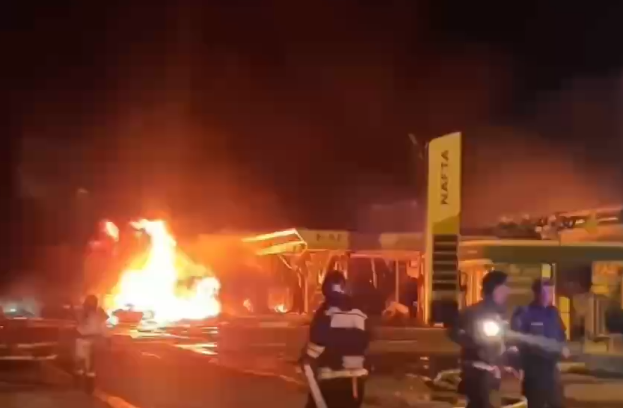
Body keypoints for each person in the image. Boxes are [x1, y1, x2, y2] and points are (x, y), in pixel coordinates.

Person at [299, 270, 370, 408]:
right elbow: (366, 340)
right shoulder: (360, 312)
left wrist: (305, 357)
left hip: (332, 382)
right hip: (357, 384)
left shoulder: (326, 312)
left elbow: (316, 346)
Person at [448, 270, 518, 408]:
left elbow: (508, 341)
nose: (508, 290)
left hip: (495, 372)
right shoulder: (473, 312)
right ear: (495, 288)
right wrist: (475, 343)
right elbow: (453, 332)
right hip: (477, 372)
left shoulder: (505, 313)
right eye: (505, 286)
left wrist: (514, 362)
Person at [511, 279, 569, 408]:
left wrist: (563, 347)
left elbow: (561, 334)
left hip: (551, 366)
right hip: (533, 368)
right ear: (536, 293)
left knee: (556, 402)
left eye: (551, 292)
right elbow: (516, 340)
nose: (549, 295)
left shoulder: (553, 312)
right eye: (545, 292)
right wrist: (518, 365)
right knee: (535, 402)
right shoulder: (525, 313)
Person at [75, 295, 109, 383]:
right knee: (85, 362)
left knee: (86, 362)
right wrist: (107, 338)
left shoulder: (96, 313)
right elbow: (103, 328)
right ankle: (84, 378)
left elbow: (103, 328)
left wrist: (106, 337)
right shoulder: (83, 313)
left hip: (87, 340)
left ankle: (85, 379)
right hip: (85, 340)